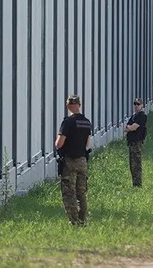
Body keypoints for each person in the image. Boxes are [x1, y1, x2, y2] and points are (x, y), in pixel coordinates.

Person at [55, 95, 93, 226]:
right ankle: (83, 220)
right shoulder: (86, 122)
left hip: (70, 161)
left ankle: (74, 221)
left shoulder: (68, 122)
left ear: (67, 106)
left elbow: (59, 143)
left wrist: (57, 142)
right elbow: (88, 143)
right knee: (81, 193)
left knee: (69, 192)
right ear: (80, 105)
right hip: (82, 160)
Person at [125, 98, 148, 187]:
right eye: (135, 104)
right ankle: (134, 183)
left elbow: (133, 127)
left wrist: (129, 127)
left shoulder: (142, 116)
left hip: (137, 143)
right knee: (132, 165)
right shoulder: (133, 116)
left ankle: (138, 184)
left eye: (138, 104)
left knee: (137, 164)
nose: (136, 106)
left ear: (142, 105)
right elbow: (126, 128)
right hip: (131, 143)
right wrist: (129, 127)